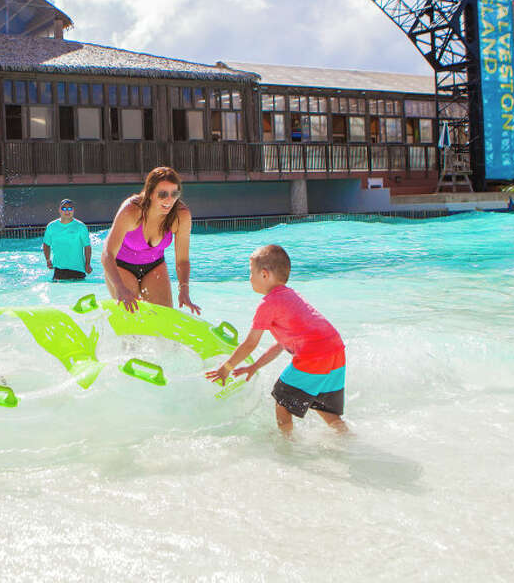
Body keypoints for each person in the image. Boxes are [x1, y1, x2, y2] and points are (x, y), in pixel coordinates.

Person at [206, 244, 347, 436]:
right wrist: (255, 366)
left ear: (264, 274)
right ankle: (347, 440)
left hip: (314, 354)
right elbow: (281, 345)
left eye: (250, 273)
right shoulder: (291, 296)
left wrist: (226, 368)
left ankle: (287, 445)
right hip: (336, 351)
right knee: (324, 407)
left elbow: (250, 343)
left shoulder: (268, 304)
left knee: (282, 401)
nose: (249, 278)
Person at [101, 166, 199, 313]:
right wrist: (119, 287)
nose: (169, 199)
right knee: (132, 316)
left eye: (175, 193)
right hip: (121, 266)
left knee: (164, 316)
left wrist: (184, 289)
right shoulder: (132, 211)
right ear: (150, 193)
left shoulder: (181, 215)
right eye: (163, 194)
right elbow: (107, 254)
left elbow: (182, 261)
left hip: (154, 266)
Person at [42, 198, 91, 281]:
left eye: (70, 208)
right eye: (64, 208)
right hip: (59, 269)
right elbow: (46, 244)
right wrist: (47, 259)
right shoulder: (51, 226)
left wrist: (87, 264)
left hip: (77, 269)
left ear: (73, 210)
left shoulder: (81, 226)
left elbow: (87, 246)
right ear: (59, 210)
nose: (67, 211)